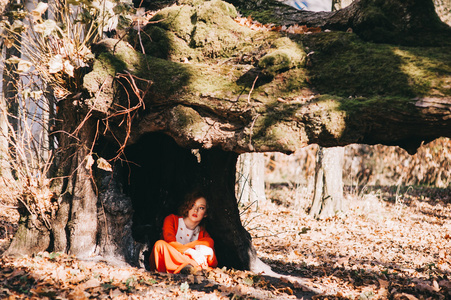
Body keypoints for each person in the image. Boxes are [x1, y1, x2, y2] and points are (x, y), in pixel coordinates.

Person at [149, 191, 218, 274]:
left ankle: (186, 268)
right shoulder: (171, 219)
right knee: (159, 245)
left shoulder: (204, 235)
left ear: (205, 214)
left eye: (201, 208)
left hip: (189, 262)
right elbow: (170, 241)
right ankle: (188, 267)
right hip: (167, 261)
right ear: (187, 206)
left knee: (208, 244)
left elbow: (214, 264)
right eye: (193, 205)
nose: (195, 210)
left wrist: (210, 254)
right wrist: (191, 251)